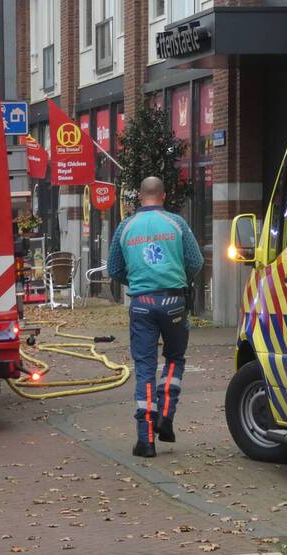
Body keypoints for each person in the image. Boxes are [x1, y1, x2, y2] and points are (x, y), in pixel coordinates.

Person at [107, 176, 203, 458]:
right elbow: (196, 261)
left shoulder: (125, 227)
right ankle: (166, 416)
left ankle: (146, 439)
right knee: (174, 359)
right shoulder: (176, 223)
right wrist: (178, 280)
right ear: (163, 196)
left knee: (145, 368)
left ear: (140, 196)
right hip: (173, 300)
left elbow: (114, 268)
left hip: (141, 304)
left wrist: (138, 281)